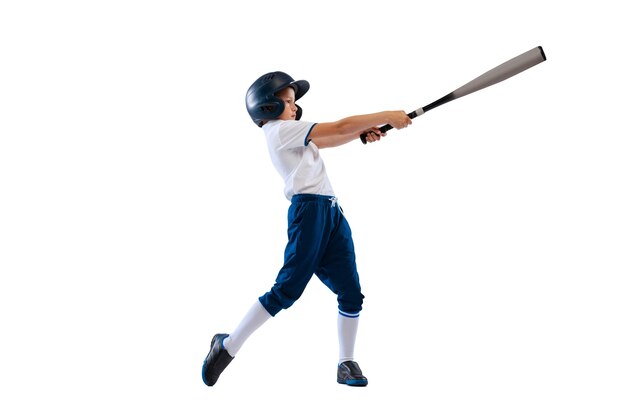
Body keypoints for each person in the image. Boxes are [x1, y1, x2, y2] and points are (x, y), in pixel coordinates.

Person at [202, 71, 411, 387]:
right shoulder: (279, 131)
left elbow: (332, 137)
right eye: (287, 101)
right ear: (267, 108)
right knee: (287, 290)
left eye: (294, 102)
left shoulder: (293, 131)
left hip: (330, 212)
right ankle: (227, 345)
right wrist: (386, 115)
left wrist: (362, 133)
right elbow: (339, 126)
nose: (294, 107)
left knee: (351, 292)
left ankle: (346, 362)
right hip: (309, 213)